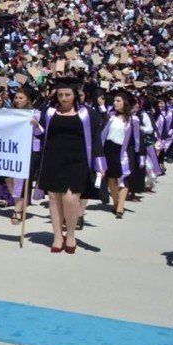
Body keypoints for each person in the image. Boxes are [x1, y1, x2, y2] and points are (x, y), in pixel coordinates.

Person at [36, 78, 105, 254]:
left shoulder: (87, 114)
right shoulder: (49, 112)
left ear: (75, 95)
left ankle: (71, 234)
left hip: (77, 160)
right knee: (54, 198)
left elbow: (96, 139)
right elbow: (40, 135)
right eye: (60, 95)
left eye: (67, 95)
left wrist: (100, 164)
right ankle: (58, 236)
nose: (64, 98)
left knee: (71, 198)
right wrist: (35, 126)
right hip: (53, 159)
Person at [100, 88, 144, 219]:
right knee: (111, 180)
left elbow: (137, 139)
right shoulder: (110, 116)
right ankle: (115, 202)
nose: (115, 103)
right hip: (109, 150)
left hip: (124, 152)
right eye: (114, 100)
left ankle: (120, 206)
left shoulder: (133, 120)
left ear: (125, 103)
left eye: (118, 101)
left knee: (123, 178)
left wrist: (140, 155)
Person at [8, 85, 43, 225]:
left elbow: (41, 133)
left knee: (21, 180)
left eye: (21, 98)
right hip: (12, 149)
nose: (17, 100)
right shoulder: (10, 113)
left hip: (29, 151)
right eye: (16, 97)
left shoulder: (36, 113)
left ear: (28, 100)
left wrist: (36, 125)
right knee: (9, 178)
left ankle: (18, 210)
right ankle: (20, 204)